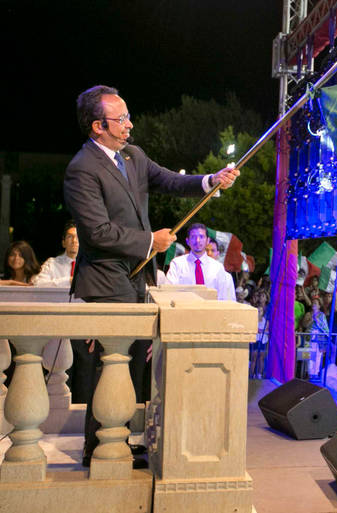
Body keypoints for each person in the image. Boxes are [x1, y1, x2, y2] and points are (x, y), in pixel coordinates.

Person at [63, 85, 239, 468]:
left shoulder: (133, 155)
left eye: (127, 115)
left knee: (132, 367)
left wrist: (211, 180)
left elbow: (170, 182)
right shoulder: (82, 169)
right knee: (109, 365)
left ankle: (119, 439)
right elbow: (97, 233)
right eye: (120, 118)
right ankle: (98, 447)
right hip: (106, 284)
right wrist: (150, 241)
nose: (129, 124)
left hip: (138, 280)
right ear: (98, 126)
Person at [165, 223, 236, 301]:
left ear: (207, 240)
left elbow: (224, 298)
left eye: (201, 237)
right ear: (187, 241)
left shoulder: (218, 267)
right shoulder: (177, 264)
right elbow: (169, 293)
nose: (197, 240)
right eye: (193, 237)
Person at [34, 221, 79, 287]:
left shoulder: (91, 265)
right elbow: (38, 284)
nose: (74, 240)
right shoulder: (52, 263)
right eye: (70, 237)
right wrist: (68, 281)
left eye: (78, 237)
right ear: (63, 243)